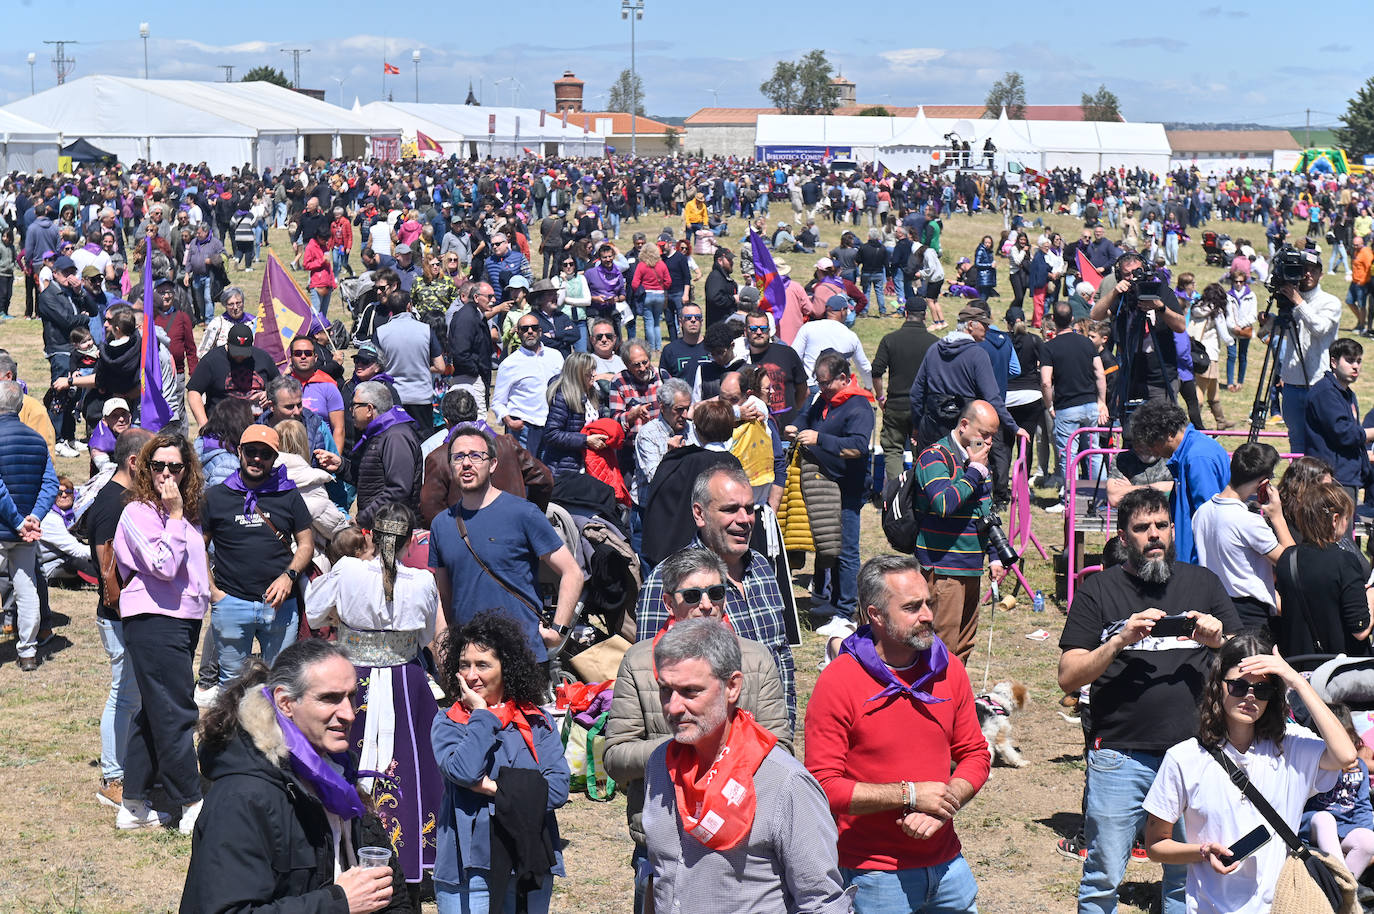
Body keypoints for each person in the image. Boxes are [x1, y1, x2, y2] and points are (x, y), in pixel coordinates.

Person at [1057, 487, 1240, 914]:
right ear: (1124, 538)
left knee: (1186, 877)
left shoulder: (1203, 583)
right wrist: (1120, 639)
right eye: (1141, 528)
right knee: (1103, 875)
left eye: (1161, 526)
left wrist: (1220, 641)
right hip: (1121, 755)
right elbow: (1068, 676)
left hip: (1195, 757)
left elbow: (1246, 659)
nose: (1153, 535)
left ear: (1173, 530)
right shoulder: (1098, 592)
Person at [604, 546, 792, 913]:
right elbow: (615, 756)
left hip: (743, 834)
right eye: (692, 595)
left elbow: (781, 749)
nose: (706, 604)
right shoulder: (640, 661)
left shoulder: (755, 658)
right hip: (664, 836)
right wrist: (683, 745)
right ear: (668, 603)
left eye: (716, 593)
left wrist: (721, 745)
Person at [806, 555, 990, 914]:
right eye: (911, 607)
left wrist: (943, 803)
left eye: (928, 603)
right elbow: (822, 785)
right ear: (875, 615)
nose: (927, 616)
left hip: (948, 864)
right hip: (873, 873)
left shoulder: (947, 668)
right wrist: (909, 795)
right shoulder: (840, 681)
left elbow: (975, 754)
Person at [642, 617, 852, 914]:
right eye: (666, 690)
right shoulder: (659, 765)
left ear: (732, 687)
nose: (673, 707)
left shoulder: (785, 783)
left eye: (691, 691)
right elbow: (661, 876)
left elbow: (822, 904)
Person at [180, 640, 406, 914]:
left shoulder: (337, 770)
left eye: (351, 696)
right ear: (285, 703)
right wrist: (338, 903)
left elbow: (390, 892)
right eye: (330, 698)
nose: (348, 713)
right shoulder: (243, 797)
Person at [1142, 632, 1357, 914]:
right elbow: (1156, 845)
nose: (1250, 697)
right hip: (1209, 907)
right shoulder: (1184, 758)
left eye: (1263, 690)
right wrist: (1203, 852)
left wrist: (1296, 682)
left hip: (1283, 905)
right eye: (1239, 686)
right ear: (1218, 685)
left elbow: (1346, 755)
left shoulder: (1291, 745)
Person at [305, 505, 442, 893]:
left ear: (368, 535)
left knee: (342, 759)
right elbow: (426, 634)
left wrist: (345, 614)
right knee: (410, 769)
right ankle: (411, 859)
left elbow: (315, 616)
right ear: (411, 540)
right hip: (406, 681)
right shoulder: (423, 581)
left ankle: (346, 854)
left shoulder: (346, 570)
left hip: (354, 679)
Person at [431, 611, 570, 914]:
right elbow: (464, 770)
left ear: (506, 668)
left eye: (482, 665)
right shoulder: (449, 722)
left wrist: (494, 788)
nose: (471, 675)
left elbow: (557, 789)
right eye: (464, 665)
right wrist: (481, 714)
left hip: (527, 857)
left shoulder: (537, 721)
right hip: (469, 867)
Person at [637, 463, 796, 722]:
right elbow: (649, 680)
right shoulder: (668, 580)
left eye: (749, 508)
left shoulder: (762, 567)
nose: (744, 520)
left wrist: (784, 729)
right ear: (700, 514)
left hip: (768, 741)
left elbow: (782, 655)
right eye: (731, 509)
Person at [112, 431, 211, 833]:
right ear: (144, 467)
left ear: (187, 470)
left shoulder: (183, 514)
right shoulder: (137, 513)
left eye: (175, 465)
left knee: (156, 711)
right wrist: (172, 515)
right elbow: (164, 566)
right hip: (153, 620)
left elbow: (193, 571)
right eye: (158, 465)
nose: (166, 473)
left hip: (180, 620)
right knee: (175, 710)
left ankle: (133, 804)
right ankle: (191, 801)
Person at [427, 427, 582, 665]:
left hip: (522, 655)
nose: (466, 463)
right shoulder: (441, 525)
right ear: (451, 466)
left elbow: (572, 572)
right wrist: (443, 649)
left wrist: (558, 631)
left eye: (476, 456)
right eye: (458, 457)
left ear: (492, 464)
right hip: (470, 661)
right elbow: (443, 596)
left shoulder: (524, 513)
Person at [202, 424, 314, 686]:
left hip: (279, 606)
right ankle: (236, 729)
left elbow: (306, 543)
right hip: (231, 602)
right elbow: (197, 545)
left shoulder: (288, 494)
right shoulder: (216, 496)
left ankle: (274, 729)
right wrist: (212, 591)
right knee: (231, 683)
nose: (256, 459)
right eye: (251, 451)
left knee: (280, 682)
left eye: (265, 454)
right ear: (239, 451)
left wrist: (289, 577)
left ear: (275, 459)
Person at [911, 400, 1009, 662]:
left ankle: (954, 698)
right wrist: (975, 472)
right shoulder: (934, 457)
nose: (988, 443)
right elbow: (943, 503)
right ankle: (933, 699)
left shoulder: (979, 461)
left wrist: (995, 555)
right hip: (943, 567)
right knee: (941, 644)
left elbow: (984, 510)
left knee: (964, 644)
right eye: (984, 434)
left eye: (992, 437)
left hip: (971, 566)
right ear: (964, 425)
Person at [786, 352, 876, 629]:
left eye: (826, 383)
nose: (822, 388)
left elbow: (858, 447)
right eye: (819, 382)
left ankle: (846, 612)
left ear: (843, 378)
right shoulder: (821, 399)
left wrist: (820, 439)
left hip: (848, 488)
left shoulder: (859, 407)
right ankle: (834, 600)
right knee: (830, 546)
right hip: (824, 485)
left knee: (846, 550)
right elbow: (805, 417)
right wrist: (795, 427)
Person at [1192, 443, 1294, 632]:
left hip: (1214, 606)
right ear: (1263, 483)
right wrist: (1278, 517)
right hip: (1249, 614)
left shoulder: (1202, 512)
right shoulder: (1248, 521)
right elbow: (1292, 562)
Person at [1272, 481, 1371, 658]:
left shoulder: (1288, 558)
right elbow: (1360, 629)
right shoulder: (1344, 561)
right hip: (1338, 671)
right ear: (1335, 520)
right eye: (1346, 518)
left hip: (1299, 665)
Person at [0, 381, 59, 672]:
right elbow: (51, 484)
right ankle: (27, 652)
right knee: (27, 590)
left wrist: (17, 520)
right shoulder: (36, 440)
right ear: (20, 406)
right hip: (25, 532)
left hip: (8, 527)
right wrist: (32, 517)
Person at [1127, 398, 1230, 564]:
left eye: (1153, 444)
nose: (1153, 451)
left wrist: (1197, 569)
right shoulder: (1193, 452)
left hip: (1199, 565)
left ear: (1168, 434)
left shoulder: (1197, 458)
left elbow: (1208, 519)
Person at [909, 304, 1021, 450]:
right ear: (970, 325)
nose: (987, 330)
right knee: (969, 472)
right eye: (985, 325)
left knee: (931, 470)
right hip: (966, 432)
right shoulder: (977, 354)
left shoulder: (934, 349)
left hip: (933, 427)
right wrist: (1014, 427)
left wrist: (918, 426)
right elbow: (992, 397)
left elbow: (916, 394)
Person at [318, 381, 422, 528]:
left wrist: (363, 518)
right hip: (380, 526)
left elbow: (398, 490)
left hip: (395, 531)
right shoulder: (379, 433)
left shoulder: (396, 436)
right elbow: (372, 479)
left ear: (369, 409)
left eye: (354, 405)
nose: (350, 411)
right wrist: (341, 465)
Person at [1041, 301, 1109, 514]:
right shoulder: (1087, 343)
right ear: (1071, 319)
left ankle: (1069, 499)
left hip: (1066, 408)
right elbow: (1099, 373)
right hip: (1089, 405)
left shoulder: (1048, 347)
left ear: (1053, 320)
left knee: (1068, 455)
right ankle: (1101, 497)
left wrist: (1049, 404)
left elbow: (1045, 381)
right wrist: (1101, 401)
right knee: (1094, 452)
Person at [1274, 245, 1342, 454]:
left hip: (1319, 383)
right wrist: (1269, 320)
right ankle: (1300, 484)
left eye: (1313, 269)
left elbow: (1320, 328)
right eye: (1304, 268)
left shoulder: (1330, 302)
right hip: (1292, 384)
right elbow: (1282, 331)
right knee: (1296, 442)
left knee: (1322, 441)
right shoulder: (1290, 300)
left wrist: (1298, 301)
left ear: (1321, 274)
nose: (1308, 273)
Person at [1301, 702, 1374, 884]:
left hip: (1346, 824)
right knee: (1326, 820)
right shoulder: (1312, 763)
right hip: (1312, 822)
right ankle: (1343, 882)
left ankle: (1341, 893)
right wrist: (1334, 768)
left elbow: (1362, 804)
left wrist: (1365, 829)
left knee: (1368, 840)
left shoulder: (1360, 767)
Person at [872, 302, 939, 482]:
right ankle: (920, 492)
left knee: (893, 450)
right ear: (925, 315)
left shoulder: (890, 339)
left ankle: (896, 492)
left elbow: (876, 371)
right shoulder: (934, 343)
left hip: (896, 404)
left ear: (906, 313)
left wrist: (880, 397)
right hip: (923, 408)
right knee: (923, 452)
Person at [1305, 336, 1374, 499]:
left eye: (1358, 361)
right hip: (1330, 479)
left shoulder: (1347, 394)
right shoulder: (1325, 392)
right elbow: (1344, 433)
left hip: (1347, 476)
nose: (1356, 366)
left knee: (1346, 525)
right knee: (1334, 525)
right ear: (1334, 362)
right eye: (1350, 361)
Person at [491, 315, 565, 459]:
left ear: (540, 331)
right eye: (525, 329)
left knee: (551, 474)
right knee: (526, 474)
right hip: (525, 428)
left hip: (553, 426)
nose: (530, 331)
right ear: (518, 332)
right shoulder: (509, 364)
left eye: (534, 328)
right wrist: (509, 421)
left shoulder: (556, 356)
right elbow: (498, 402)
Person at [185, 323, 280, 428]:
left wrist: (269, 394)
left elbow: (280, 387)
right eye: (236, 352)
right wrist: (203, 423)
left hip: (257, 426)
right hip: (221, 427)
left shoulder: (263, 358)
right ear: (227, 343)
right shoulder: (211, 360)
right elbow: (194, 392)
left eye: (244, 352)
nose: (240, 356)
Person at [375, 291, 444, 430]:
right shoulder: (425, 330)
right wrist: (422, 366)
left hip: (393, 397)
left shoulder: (381, 332)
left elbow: (375, 365)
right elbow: (441, 366)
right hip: (421, 396)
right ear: (409, 306)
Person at [539, 351, 607, 479]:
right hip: (564, 469)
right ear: (578, 374)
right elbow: (551, 434)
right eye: (589, 372)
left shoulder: (593, 394)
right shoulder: (562, 397)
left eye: (594, 370)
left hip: (589, 466)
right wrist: (585, 440)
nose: (594, 374)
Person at [745, 310, 810, 429]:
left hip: (786, 432)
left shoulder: (787, 353)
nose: (759, 332)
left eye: (763, 328)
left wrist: (792, 411)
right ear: (745, 332)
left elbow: (803, 390)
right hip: (755, 431)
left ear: (769, 331)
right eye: (753, 328)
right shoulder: (742, 359)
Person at [791, 295, 873, 389]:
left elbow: (794, 356)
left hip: (810, 385)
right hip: (837, 389)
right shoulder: (851, 336)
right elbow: (864, 367)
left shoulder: (808, 327)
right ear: (843, 311)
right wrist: (868, 387)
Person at [284, 338, 345, 451]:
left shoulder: (328, 385)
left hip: (321, 454)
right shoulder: (281, 386)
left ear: (315, 358)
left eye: (308, 353)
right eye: (298, 353)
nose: (303, 357)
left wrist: (336, 459)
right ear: (291, 358)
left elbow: (339, 428)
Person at [197, 286, 257, 358]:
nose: (235, 307)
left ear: (243, 303)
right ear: (225, 305)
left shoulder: (254, 322)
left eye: (238, 303)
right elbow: (201, 352)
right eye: (231, 304)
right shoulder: (217, 324)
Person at [659, 302, 709, 379]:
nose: (693, 320)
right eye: (688, 318)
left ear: (701, 321)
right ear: (680, 322)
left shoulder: (711, 347)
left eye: (697, 317)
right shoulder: (670, 350)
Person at [703, 247, 740, 327]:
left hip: (725, 323)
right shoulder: (716, 276)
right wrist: (733, 299)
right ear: (720, 261)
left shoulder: (723, 276)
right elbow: (714, 298)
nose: (732, 262)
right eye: (729, 260)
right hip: (718, 325)